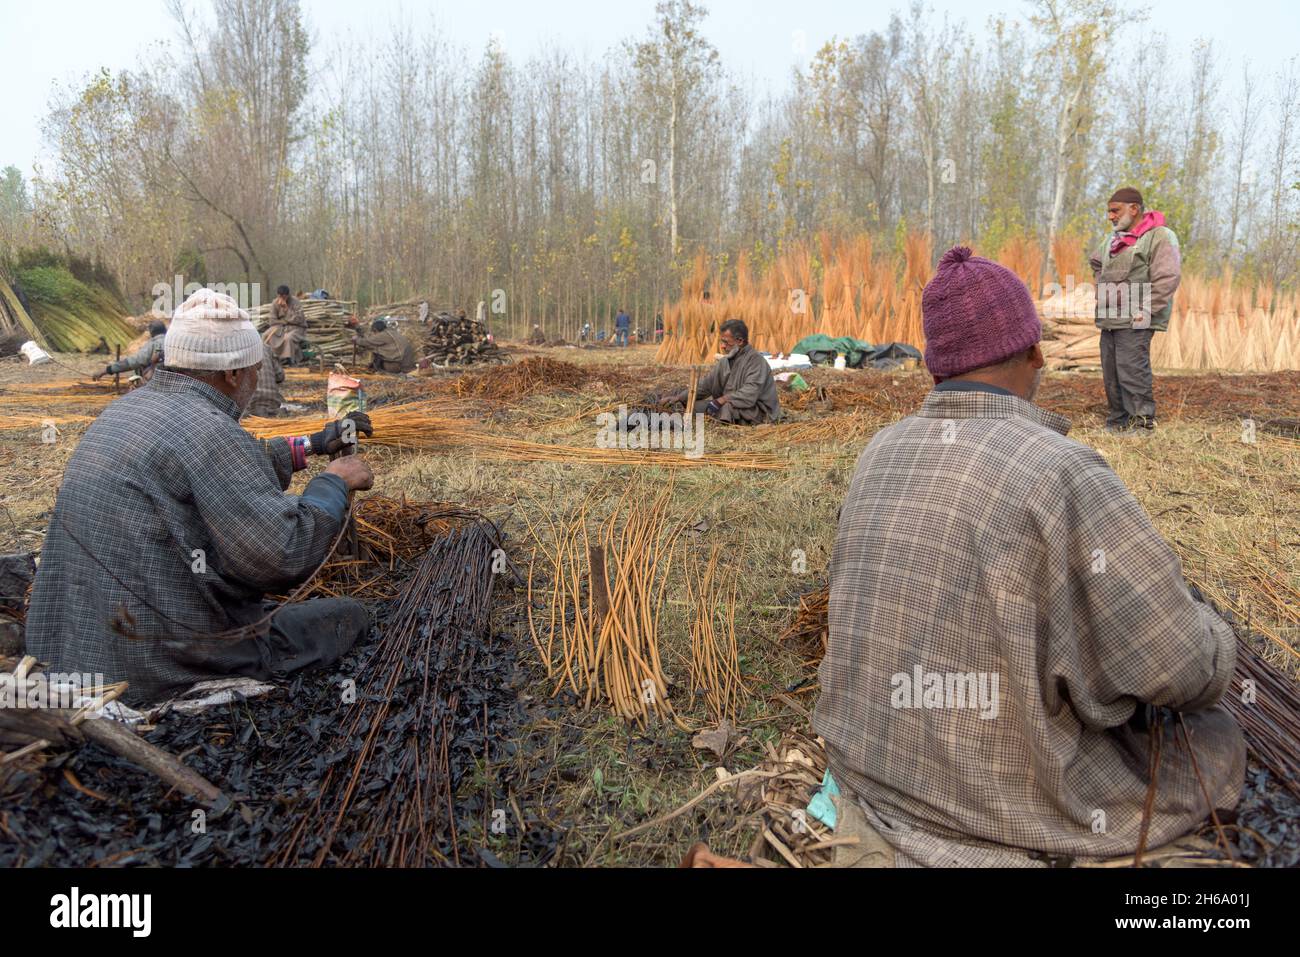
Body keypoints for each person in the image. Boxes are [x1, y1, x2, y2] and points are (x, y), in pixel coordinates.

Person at [813, 247, 1243, 868]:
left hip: (870, 773)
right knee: (1216, 741)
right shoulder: (1061, 471)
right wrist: (1217, 645)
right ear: (1035, 351)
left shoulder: (880, 452)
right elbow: (1174, 667)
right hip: (995, 808)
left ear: (936, 368)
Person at [26, 289, 376, 705]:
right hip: (154, 661)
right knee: (350, 616)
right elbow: (283, 553)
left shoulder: (126, 410)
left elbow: (229, 466)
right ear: (232, 375)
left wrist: (315, 443)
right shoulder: (211, 431)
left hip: (74, 647)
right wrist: (333, 482)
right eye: (252, 371)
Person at [1089, 187, 1181, 433]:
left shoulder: (1159, 236)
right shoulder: (1112, 239)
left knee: (1131, 370)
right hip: (1111, 317)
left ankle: (1141, 423)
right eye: (1109, 211)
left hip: (1137, 317)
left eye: (1114, 210)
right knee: (1111, 372)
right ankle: (1118, 422)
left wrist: (1147, 309)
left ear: (1134, 208)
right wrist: (1104, 289)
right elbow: (1096, 261)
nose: (1110, 216)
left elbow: (1168, 276)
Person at [664, 319, 780, 424]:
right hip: (728, 404)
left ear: (739, 341)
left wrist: (722, 400)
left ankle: (724, 426)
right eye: (722, 342)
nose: (722, 346)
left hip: (756, 409)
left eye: (726, 342)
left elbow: (750, 392)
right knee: (695, 407)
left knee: (727, 408)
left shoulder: (756, 361)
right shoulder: (725, 362)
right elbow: (706, 386)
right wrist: (679, 397)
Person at [92, 320, 167, 383]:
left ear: (151, 332)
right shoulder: (171, 341)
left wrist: (106, 370)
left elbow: (133, 362)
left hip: (158, 381)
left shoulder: (154, 344)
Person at [350, 318, 416, 373]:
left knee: (378, 357)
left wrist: (356, 340)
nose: (374, 333)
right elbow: (369, 335)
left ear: (376, 330)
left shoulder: (383, 335)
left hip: (400, 362)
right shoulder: (390, 332)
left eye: (374, 332)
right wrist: (358, 327)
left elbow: (368, 341)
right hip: (406, 359)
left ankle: (382, 371)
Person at [264, 285, 308, 365]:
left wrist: (286, 308)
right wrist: (285, 322)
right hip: (280, 327)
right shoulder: (275, 303)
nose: (281, 298)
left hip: (297, 328)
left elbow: (298, 319)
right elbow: (272, 320)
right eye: (279, 296)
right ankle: (272, 358)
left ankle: (289, 359)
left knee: (288, 338)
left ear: (287, 295)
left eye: (283, 296)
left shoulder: (295, 302)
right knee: (267, 335)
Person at [242, 351, 286, 419]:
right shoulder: (267, 348)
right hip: (272, 400)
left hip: (249, 403)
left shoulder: (236, 348)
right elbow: (280, 376)